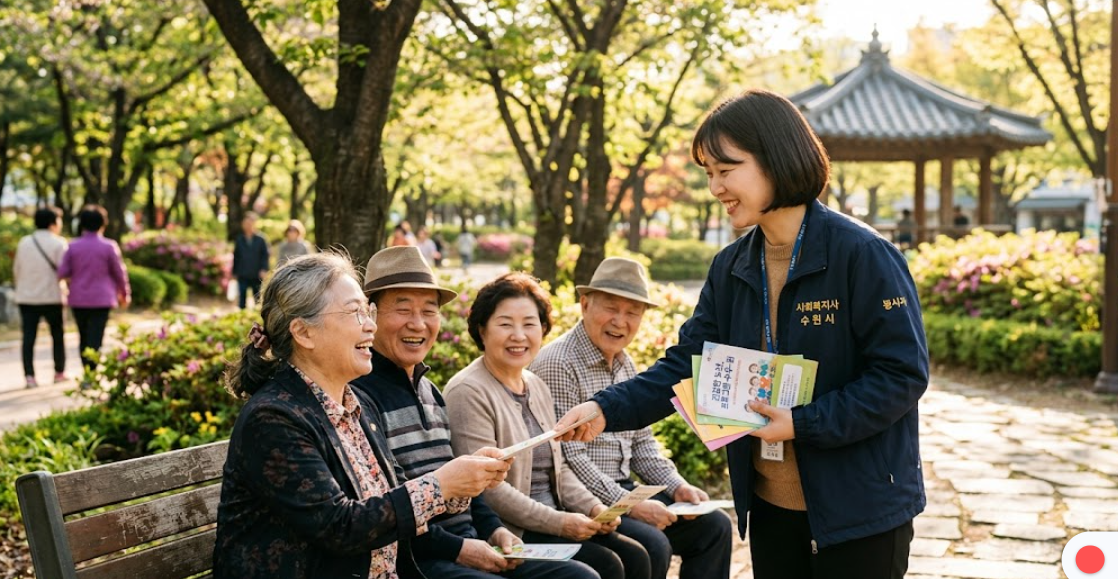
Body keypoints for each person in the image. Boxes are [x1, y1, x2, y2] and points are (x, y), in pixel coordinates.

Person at [556, 89, 928, 579]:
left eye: (726, 170)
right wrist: (606, 408)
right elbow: (688, 365)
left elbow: (901, 375)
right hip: (771, 507)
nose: (715, 187)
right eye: (709, 173)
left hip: (860, 510)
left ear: (775, 158)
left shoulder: (863, 254)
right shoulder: (731, 266)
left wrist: (802, 423)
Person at [213, 252, 512, 579]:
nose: (371, 325)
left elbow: (396, 492)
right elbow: (339, 527)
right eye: (355, 312)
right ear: (304, 333)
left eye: (367, 312)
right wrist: (442, 485)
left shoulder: (356, 405)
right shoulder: (273, 417)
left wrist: (465, 480)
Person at [352, 247, 600, 579]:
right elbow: (388, 510)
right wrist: (460, 548)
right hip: (422, 559)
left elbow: (468, 483)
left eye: (429, 311)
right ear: (369, 314)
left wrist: (495, 531)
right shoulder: (360, 396)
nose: (418, 323)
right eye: (403, 309)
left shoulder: (429, 391)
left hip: (470, 542)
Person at [530, 257, 734, 579]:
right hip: (581, 501)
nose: (620, 321)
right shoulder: (559, 362)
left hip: (624, 490)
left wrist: (678, 487)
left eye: (632, 312)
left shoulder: (626, 364)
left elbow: (643, 446)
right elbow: (568, 458)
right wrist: (629, 504)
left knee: (713, 526)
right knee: (653, 544)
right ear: (585, 304)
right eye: (611, 308)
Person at [444, 273, 652, 579]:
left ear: (542, 329)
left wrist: (594, 508)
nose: (519, 336)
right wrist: (560, 523)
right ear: (481, 329)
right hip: (511, 533)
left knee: (636, 555)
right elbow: (489, 489)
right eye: (505, 324)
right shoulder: (468, 391)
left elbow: (560, 467)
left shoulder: (536, 385)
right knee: (603, 567)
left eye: (529, 324)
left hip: (553, 521)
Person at [58, 205, 131, 377]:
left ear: (82, 224)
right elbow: (119, 273)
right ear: (103, 224)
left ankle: (87, 370)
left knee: (83, 336)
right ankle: (91, 372)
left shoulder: (73, 246)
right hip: (102, 299)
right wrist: (124, 294)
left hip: (78, 298)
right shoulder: (109, 246)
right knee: (96, 336)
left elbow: (62, 272)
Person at [14, 207, 69, 388]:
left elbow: (17, 270)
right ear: (53, 223)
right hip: (52, 297)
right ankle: (59, 372)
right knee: (57, 336)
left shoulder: (24, 242)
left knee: (28, 338)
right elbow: (64, 272)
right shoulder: (59, 243)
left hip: (27, 297)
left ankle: (29, 376)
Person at [232, 212, 270, 309]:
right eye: (246, 223)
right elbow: (236, 256)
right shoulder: (239, 239)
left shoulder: (261, 239)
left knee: (257, 299)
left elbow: (265, 256)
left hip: (256, 274)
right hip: (242, 273)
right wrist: (234, 272)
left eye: (250, 223)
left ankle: (256, 316)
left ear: (255, 224)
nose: (248, 226)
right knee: (242, 300)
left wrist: (264, 269)